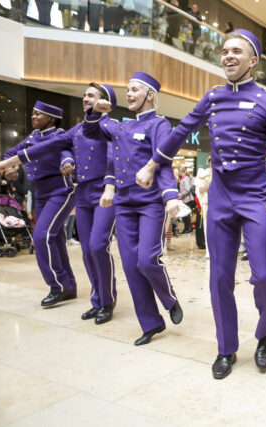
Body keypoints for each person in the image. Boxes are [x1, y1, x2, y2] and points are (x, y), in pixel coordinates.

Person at [134, 29, 266, 379]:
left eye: (237, 52)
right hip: (221, 201)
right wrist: (153, 163)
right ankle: (226, 347)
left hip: (257, 199)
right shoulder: (212, 97)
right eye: (225, 51)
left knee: (264, 276)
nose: (228, 56)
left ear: (253, 60)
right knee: (219, 278)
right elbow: (181, 130)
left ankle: (265, 333)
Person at [0, 83, 120, 324]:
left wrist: (110, 185)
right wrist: (8, 162)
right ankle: (98, 299)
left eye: (91, 95)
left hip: (104, 192)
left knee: (97, 247)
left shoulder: (110, 126)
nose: (85, 98)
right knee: (86, 251)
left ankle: (108, 299)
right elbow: (49, 147)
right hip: (82, 192)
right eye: (84, 95)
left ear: (104, 101)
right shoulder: (76, 130)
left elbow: (112, 157)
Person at [83, 72, 183, 345]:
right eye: (127, 90)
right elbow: (91, 130)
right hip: (124, 203)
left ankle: (169, 298)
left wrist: (170, 196)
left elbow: (162, 161)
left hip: (150, 201)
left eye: (134, 90)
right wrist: (95, 110)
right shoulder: (121, 127)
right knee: (129, 265)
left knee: (147, 260)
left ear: (149, 95)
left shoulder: (159, 125)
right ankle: (151, 323)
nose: (128, 94)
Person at [0, 101, 77, 307]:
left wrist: (67, 162)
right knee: (56, 239)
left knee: (42, 236)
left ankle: (57, 286)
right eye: (32, 114)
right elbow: (9, 155)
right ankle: (69, 286)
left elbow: (66, 152)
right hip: (40, 193)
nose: (33, 118)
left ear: (50, 118)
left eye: (38, 114)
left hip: (61, 191)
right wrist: (10, 169)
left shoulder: (59, 135)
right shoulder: (32, 137)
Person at [178, 165, 193, 234]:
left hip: (187, 199)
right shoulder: (184, 178)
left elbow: (187, 189)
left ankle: (187, 229)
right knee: (186, 215)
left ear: (180, 171)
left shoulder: (185, 178)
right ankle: (188, 228)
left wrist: (180, 195)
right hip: (185, 199)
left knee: (186, 215)